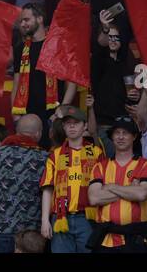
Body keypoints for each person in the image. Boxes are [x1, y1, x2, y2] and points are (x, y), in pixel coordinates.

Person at [0, 112, 46, 253]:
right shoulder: (46, 158)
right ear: (39, 133)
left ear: (17, 131)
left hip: (1, 230)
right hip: (32, 237)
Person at [87, 116, 147, 252]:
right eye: (117, 133)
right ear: (112, 137)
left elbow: (141, 194)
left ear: (134, 136)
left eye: (126, 133)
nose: (121, 137)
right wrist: (130, 190)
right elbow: (94, 198)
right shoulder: (100, 166)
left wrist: (111, 187)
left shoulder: (146, 165)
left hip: (136, 239)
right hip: (105, 240)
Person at [40, 106, 101, 252]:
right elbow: (48, 189)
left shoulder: (96, 153)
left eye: (77, 122)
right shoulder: (55, 154)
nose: (72, 126)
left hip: (87, 218)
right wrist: (44, 220)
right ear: (63, 126)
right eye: (68, 123)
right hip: (61, 218)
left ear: (85, 125)